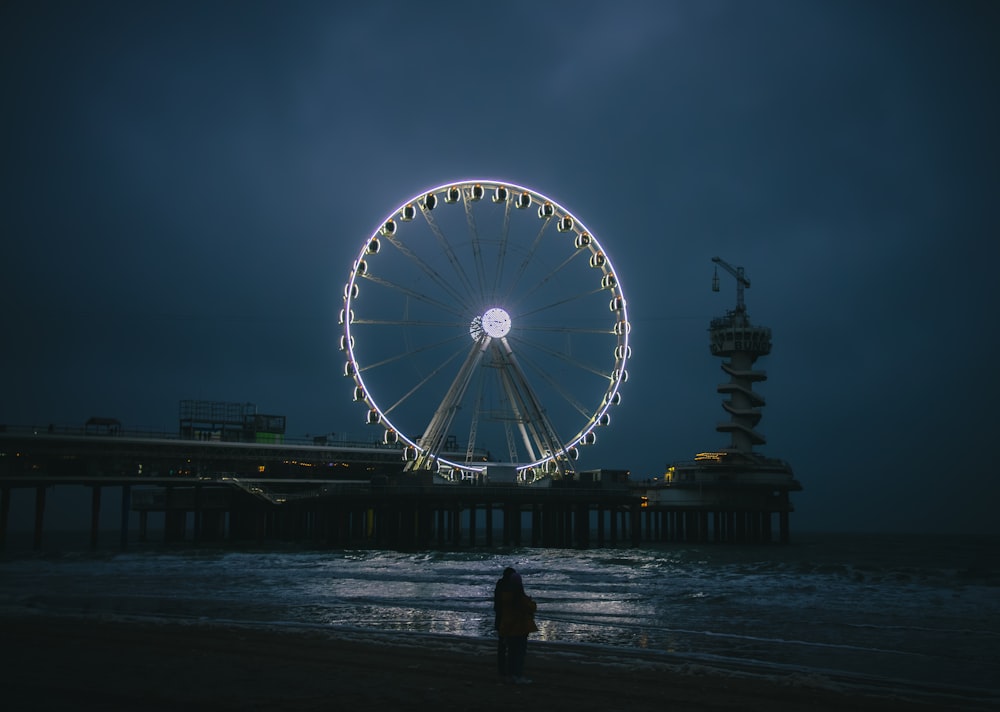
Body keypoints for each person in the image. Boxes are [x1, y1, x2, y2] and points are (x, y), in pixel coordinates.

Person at [495, 569, 538, 684]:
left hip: (508, 628)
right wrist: (531, 601)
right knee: (519, 654)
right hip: (520, 628)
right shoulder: (520, 597)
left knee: (511, 653)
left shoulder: (506, 596)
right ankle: (517, 675)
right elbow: (532, 608)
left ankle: (510, 675)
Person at [493, 567, 516, 682]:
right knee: (509, 645)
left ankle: (501, 668)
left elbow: (497, 605)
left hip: (500, 618)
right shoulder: (508, 587)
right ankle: (506, 668)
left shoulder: (500, 585)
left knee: (502, 645)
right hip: (506, 619)